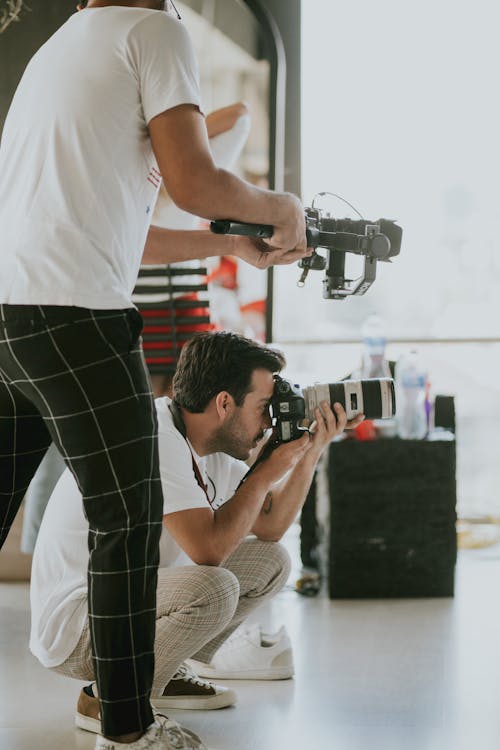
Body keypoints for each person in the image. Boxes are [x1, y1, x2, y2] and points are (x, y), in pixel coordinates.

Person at [0, 2, 311, 748]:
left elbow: (121, 235)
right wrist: (280, 206)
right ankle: (127, 729)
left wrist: (227, 248)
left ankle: (122, 709)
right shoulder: (155, 32)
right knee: (129, 522)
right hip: (79, 318)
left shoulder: (64, 45)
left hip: (15, 314)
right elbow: (198, 180)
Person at [29, 331, 364, 738]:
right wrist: (265, 472)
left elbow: (271, 524)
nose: (269, 420)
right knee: (214, 585)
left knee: (270, 562)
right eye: (263, 407)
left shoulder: (208, 443)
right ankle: (108, 698)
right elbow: (208, 551)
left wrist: (312, 449)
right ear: (224, 403)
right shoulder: (154, 436)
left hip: (127, 604)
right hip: (83, 622)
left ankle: (162, 673)